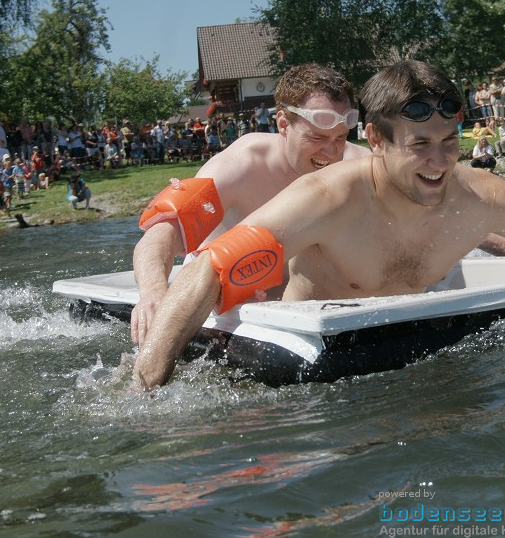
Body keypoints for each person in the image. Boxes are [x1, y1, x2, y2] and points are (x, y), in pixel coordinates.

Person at [133, 60, 505, 389]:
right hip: (292, 337)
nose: (439, 161)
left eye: (449, 141)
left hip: (408, 350)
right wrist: (150, 347)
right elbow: (186, 248)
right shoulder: (292, 184)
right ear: (283, 123)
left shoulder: (453, 184)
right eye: (419, 145)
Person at [130, 64, 372, 345]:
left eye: (340, 138)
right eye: (317, 137)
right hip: (222, 292)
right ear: (283, 124)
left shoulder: (360, 167)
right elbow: (161, 232)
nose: (331, 153)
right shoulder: (241, 165)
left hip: (302, 295)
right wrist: (153, 293)